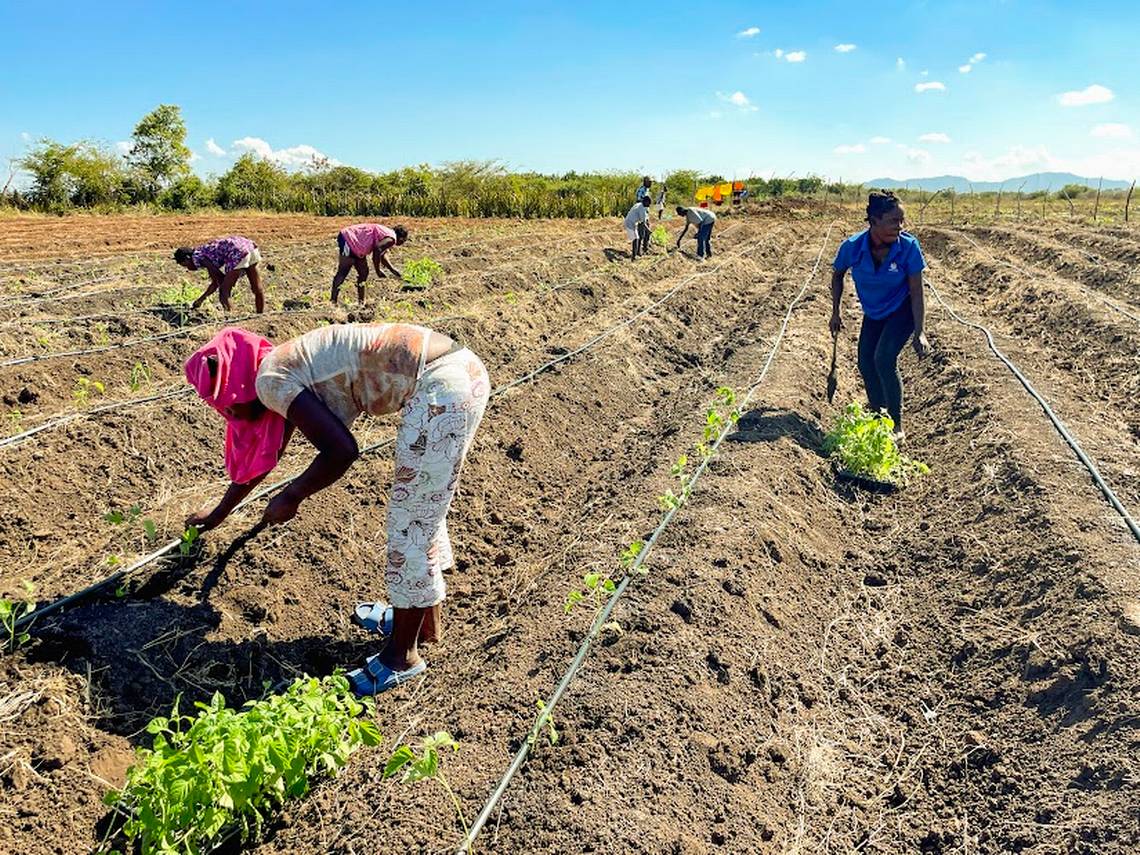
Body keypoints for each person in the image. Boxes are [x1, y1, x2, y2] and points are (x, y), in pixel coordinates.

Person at [183, 322, 489, 695]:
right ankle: (423, 628)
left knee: (411, 524)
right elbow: (268, 456)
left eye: (225, 402)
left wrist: (292, 496)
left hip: (442, 388)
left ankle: (401, 658)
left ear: (235, 384)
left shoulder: (271, 381)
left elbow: (341, 451)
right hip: (457, 373)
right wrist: (220, 513)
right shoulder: (281, 367)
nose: (229, 410)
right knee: (424, 506)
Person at [829, 190, 931, 438]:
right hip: (874, 312)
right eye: (894, 220)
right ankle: (878, 416)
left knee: (884, 359)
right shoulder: (852, 248)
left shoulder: (908, 247)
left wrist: (920, 332)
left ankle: (895, 426)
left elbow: (917, 292)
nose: (900, 226)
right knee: (865, 362)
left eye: (901, 220)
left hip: (902, 310)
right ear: (874, 221)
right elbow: (837, 275)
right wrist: (835, 312)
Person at [174, 236, 265, 313]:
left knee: (223, 293)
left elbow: (218, 280)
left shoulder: (198, 257)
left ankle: (232, 320)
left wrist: (201, 299)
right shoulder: (204, 251)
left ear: (187, 258)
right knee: (257, 287)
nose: (188, 269)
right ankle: (260, 315)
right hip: (250, 247)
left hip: (237, 252)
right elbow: (217, 280)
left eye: (185, 265)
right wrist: (201, 299)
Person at [331, 223, 409, 305]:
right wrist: (378, 270)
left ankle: (361, 303)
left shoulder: (387, 234)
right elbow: (378, 249)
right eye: (403, 241)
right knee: (343, 271)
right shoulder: (392, 238)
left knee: (364, 273)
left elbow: (382, 256)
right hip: (349, 239)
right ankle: (333, 302)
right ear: (401, 238)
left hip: (357, 244)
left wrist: (393, 270)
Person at [634, 176, 653, 253]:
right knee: (641, 233)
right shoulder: (641, 190)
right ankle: (638, 251)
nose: (651, 184)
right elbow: (638, 201)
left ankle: (645, 249)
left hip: (646, 213)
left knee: (647, 233)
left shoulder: (647, 190)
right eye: (649, 182)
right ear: (645, 182)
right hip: (641, 213)